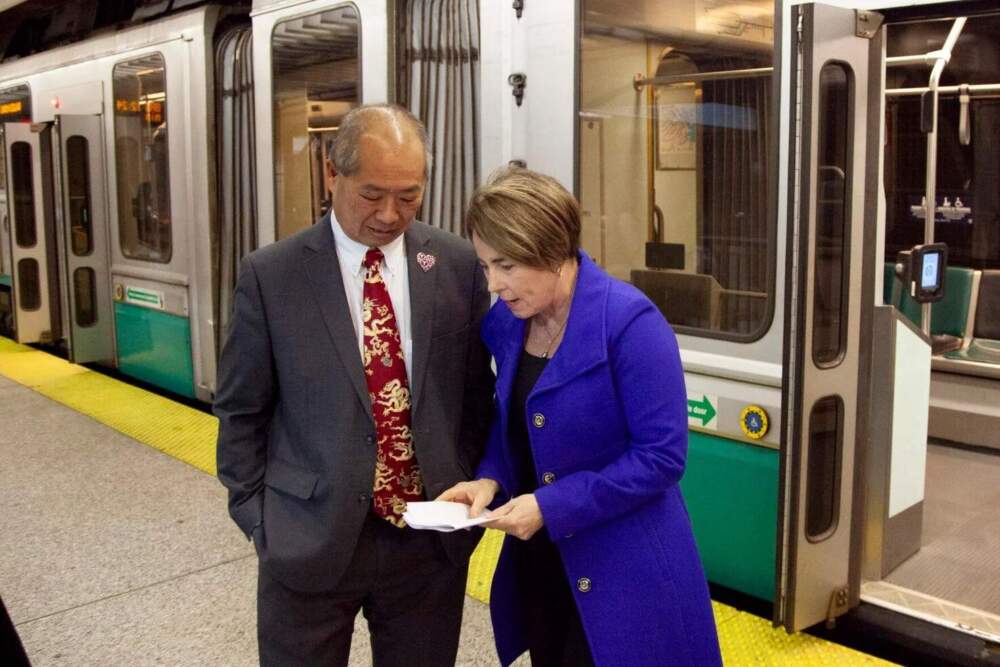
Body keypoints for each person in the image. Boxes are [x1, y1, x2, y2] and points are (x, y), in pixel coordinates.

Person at [215, 104, 495, 666]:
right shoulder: (273, 275)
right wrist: (258, 519)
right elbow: (242, 409)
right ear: (330, 174)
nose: (391, 214)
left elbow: (475, 399)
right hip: (306, 538)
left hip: (427, 543)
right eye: (372, 194)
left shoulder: (458, 266)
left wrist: (462, 479)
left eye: (409, 196)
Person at [440, 168, 722, 666]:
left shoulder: (631, 323)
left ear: (549, 248)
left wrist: (552, 506)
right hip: (545, 566)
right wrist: (487, 480)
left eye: (505, 265)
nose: (494, 284)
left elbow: (661, 457)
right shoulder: (508, 324)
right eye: (486, 267)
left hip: (625, 570)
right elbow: (514, 428)